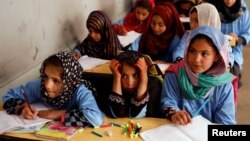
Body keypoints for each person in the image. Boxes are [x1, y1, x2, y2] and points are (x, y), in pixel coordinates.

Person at [2, 51, 104, 127]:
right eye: (45, 76)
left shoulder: (79, 92)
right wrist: (22, 108)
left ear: (69, 82)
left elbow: (95, 118)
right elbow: (9, 95)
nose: (47, 85)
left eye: (56, 81)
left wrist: (59, 114)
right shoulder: (39, 86)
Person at [161, 26, 236, 125]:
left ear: (217, 56)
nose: (196, 59)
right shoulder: (175, 75)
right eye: (192, 51)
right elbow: (168, 101)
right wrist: (174, 114)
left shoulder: (223, 86)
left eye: (204, 54)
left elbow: (225, 123)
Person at [108, 51, 163, 118]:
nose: (130, 82)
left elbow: (136, 115)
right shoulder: (115, 82)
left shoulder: (153, 85)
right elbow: (116, 114)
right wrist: (117, 78)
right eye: (124, 76)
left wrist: (143, 80)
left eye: (136, 75)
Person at [212, 0, 250, 88]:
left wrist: (238, 39)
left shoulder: (243, 11)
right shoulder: (214, 9)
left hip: (235, 52)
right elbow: (209, 28)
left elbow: (247, 33)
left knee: (233, 75)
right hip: (216, 50)